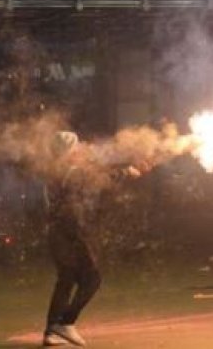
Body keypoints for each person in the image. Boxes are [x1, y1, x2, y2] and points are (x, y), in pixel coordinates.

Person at [42, 131, 141, 347]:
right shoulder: (72, 171)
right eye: (75, 147)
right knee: (93, 279)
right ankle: (66, 323)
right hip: (69, 232)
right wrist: (127, 172)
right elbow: (101, 179)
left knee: (66, 279)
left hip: (55, 232)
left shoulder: (53, 170)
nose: (79, 149)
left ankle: (51, 331)